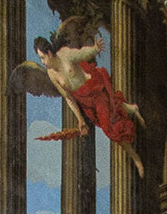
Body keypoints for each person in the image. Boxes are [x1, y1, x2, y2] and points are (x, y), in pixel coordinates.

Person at [33, 31, 144, 178]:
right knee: (110, 112)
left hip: (94, 90)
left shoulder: (64, 55)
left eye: (42, 57)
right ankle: (131, 108)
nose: (42, 61)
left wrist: (94, 49)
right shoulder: (51, 74)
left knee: (109, 128)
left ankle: (136, 159)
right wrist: (80, 119)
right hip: (83, 101)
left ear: (49, 53)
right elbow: (68, 97)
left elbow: (81, 54)